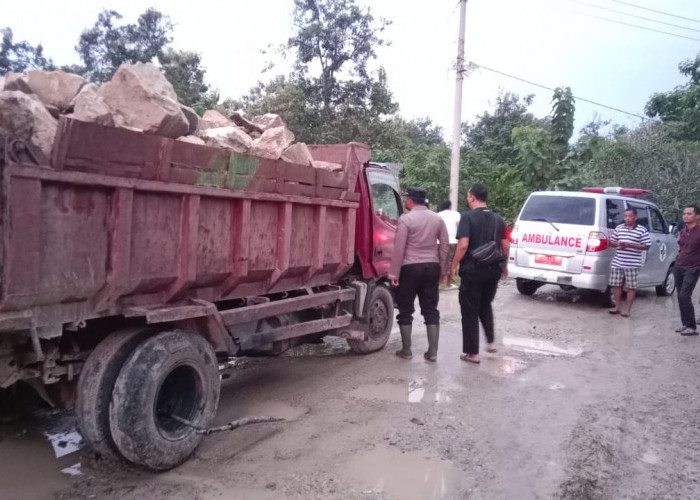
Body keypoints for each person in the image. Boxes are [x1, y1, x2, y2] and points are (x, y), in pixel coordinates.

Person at [389, 187, 450, 361]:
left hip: (410, 268)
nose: (405, 201)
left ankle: (406, 351)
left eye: (406, 198)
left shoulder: (406, 220)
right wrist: (443, 269)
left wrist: (394, 274)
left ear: (411, 200)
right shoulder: (437, 219)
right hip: (431, 266)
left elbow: (399, 248)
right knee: (430, 308)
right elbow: (444, 245)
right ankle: (432, 352)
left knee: (405, 308)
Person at [451, 183, 508, 364]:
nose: (467, 199)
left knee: (469, 310)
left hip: (472, 270)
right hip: (493, 270)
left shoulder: (467, 217)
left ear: (473, 197)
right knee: (485, 304)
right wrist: (504, 266)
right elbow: (505, 246)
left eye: (468, 196)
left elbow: (463, 245)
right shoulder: (498, 219)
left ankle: (472, 353)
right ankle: (490, 343)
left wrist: (453, 265)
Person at [607, 207, 651, 317]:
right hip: (617, 261)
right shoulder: (619, 228)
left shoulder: (642, 230)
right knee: (616, 285)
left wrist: (629, 244)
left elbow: (646, 246)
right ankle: (617, 307)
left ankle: (627, 309)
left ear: (635, 217)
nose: (627, 218)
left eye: (630, 216)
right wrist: (617, 244)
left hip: (632, 263)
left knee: (631, 287)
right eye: (625, 216)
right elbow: (611, 242)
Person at [673, 205, 700, 336]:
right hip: (679, 266)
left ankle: (692, 326)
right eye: (684, 213)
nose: (686, 216)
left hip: (693, 267)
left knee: (685, 295)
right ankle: (685, 324)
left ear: (697, 216)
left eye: (689, 214)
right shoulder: (683, 231)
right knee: (680, 296)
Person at [437, 200, 461, 287]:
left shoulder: (438, 215)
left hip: (439, 241)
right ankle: (449, 283)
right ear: (450, 206)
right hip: (453, 241)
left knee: (441, 260)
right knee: (451, 261)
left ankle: (440, 281)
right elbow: (459, 227)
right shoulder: (456, 214)